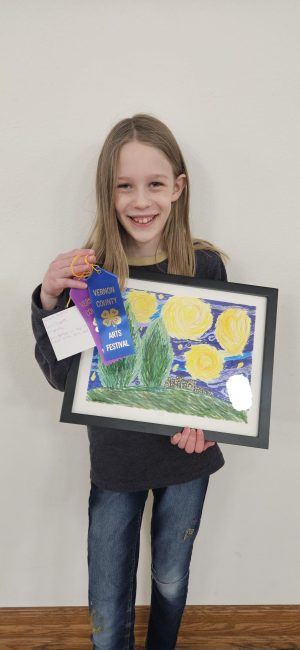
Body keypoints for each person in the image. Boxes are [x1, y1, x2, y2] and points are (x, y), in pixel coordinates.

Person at [31, 113, 227, 650]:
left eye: (155, 184)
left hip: (187, 460)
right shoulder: (89, 275)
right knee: (108, 589)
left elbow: (224, 375)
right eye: (125, 186)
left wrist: (210, 426)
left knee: (170, 577)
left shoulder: (205, 269)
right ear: (107, 193)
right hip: (115, 461)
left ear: (178, 189)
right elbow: (60, 374)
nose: (141, 201)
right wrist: (49, 297)